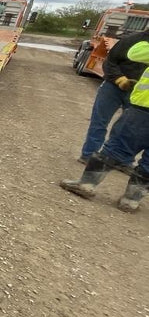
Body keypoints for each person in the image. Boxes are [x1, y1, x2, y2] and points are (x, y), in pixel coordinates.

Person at [62, 39, 149, 212]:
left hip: (144, 110)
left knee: (117, 147)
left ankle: (87, 184)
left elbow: (135, 52)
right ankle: (131, 201)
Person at [78, 28, 149, 163]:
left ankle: (120, 160)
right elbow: (110, 62)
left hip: (137, 93)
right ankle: (89, 155)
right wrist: (119, 79)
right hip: (113, 87)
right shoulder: (131, 40)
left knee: (128, 129)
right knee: (99, 122)